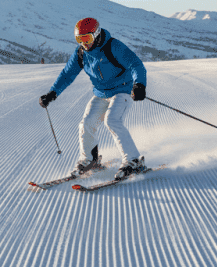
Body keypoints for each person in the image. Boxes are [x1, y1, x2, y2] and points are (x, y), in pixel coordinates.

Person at [39, 17, 148, 180]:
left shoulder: (113, 46)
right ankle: (90, 161)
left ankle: (133, 161)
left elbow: (136, 65)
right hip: (101, 94)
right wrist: (52, 93)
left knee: (112, 120)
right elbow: (67, 74)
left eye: (87, 38)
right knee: (86, 124)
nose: (84, 43)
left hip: (122, 90)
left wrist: (139, 85)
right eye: (79, 39)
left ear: (96, 35)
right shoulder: (81, 53)